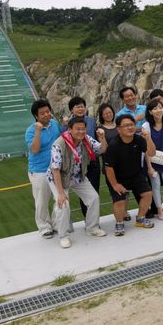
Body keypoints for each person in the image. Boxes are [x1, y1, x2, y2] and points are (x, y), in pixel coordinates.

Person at [47, 116, 108, 249]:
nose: (81, 131)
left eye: (83, 129)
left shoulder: (86, 139)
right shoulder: (59, 144)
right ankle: (63, 236)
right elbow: (55, 169)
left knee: (94, 198)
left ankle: (92, 228)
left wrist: (102, 138)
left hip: (78, 175)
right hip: (60, 178)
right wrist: (61, 193)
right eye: (77, 129)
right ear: (70, 129)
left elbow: (102, 149)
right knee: (63, 203)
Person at [103, 114, 157, 235]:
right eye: (126, 125)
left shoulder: (139, 139)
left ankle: (140, 218)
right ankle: (119, 223)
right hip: (117, 178)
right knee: (120, 201)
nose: (130, 127)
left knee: (147, 194)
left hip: (135, 175)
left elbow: (152, 153)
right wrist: (115, 185)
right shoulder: (113, 145)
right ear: (119, 129)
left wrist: (148, 139)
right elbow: (108, 168)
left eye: (132, 125)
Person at [25, 99, 61, 239]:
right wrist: (38, 131)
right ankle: (44, 227)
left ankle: (57, 223)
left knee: (59, 197)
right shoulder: (30, 131)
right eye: (42, 113)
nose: (46, 115)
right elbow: (34, 150)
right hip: (39, 170)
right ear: (36, 116)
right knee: (41, 200)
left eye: (47, 111)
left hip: (55, 168)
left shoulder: (55, 124)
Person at [63, 97, 101, 217]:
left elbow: (96, 140)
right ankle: (87, 219)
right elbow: (64, 139)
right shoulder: (67, 124)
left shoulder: (91, 121)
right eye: (77, 106)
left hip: (93, 161)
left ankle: (94, 221)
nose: (80, 109)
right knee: (83, 194)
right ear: (71, 110)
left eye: (82, 106)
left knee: (94, 192)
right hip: (78, 163)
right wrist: (64, 126)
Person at [98, 102, 130, 222]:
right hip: (110, 165)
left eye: (110, 112)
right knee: (115, 192)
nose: (108, 115)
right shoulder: (100, 129)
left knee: (126, 190)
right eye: (105, 113)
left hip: (123, 163)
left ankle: (125, 211)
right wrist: (102, 137)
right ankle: (119, 216)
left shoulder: (119, 126)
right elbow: (104, 149)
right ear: (101, 115)